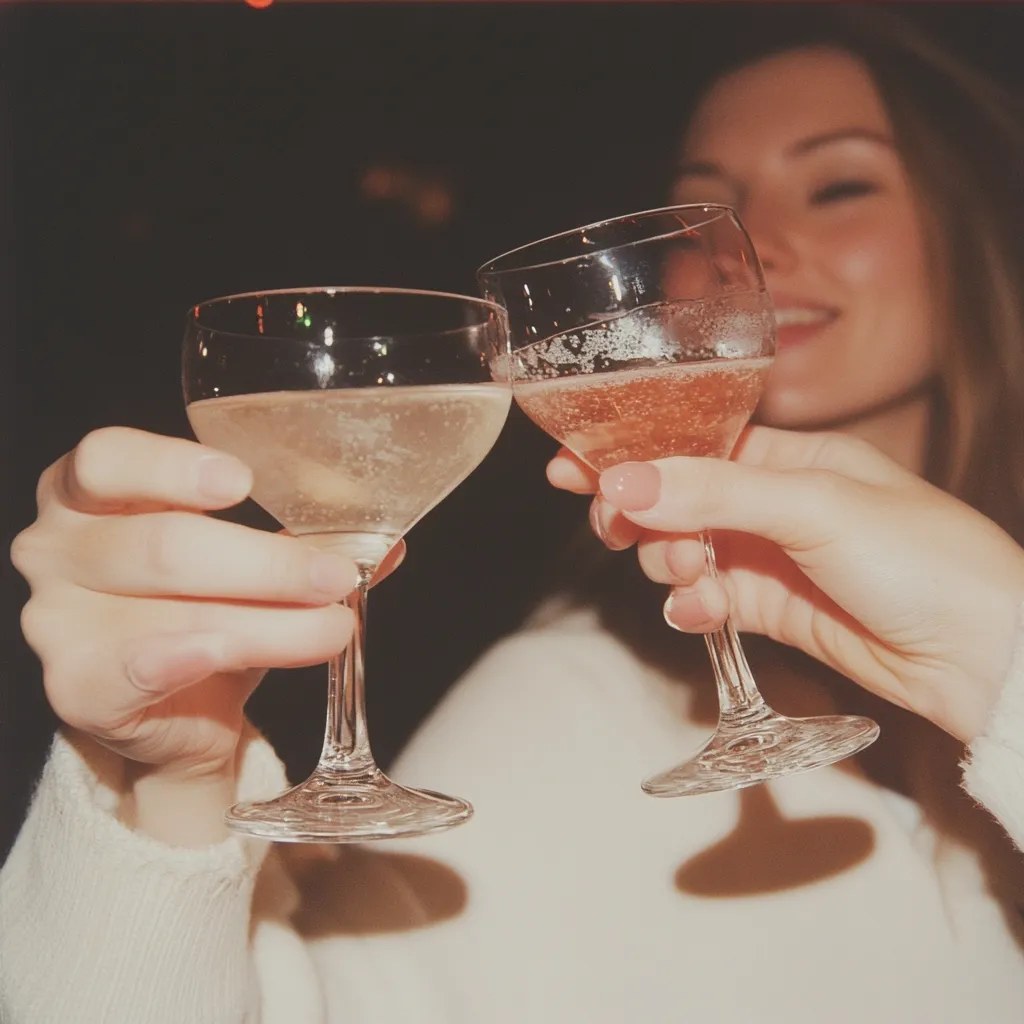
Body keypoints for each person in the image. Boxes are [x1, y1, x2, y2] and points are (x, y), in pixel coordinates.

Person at [4, 7, 1024, 1022]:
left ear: (977, 221)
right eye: (703, 209)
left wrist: (1001, 649)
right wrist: (164, 788)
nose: (751, 247)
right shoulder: (570, 701)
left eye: (839, 184)